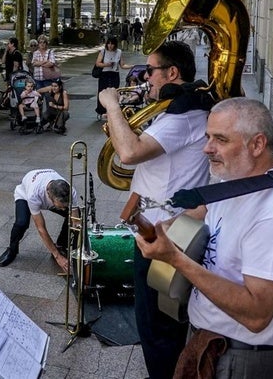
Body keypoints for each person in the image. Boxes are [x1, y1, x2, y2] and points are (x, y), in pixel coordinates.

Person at [137, 98, 273, 379]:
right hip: (210, 343)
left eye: (220, 139)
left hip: (239, 360)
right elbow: (205, 209)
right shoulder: (235, 182)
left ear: (257, 145)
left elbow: (256, 315)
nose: (206, 148)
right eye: (208, 137)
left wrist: (174, 258)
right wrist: (168, 226)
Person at [98, 40, 211, 379]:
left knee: (156, 324)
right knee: (158, 320)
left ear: (172, 73)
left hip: (164, 233)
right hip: (156, 226)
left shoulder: (185, 115)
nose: (144, 77)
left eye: (150, 70)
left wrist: (112, 106)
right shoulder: (177, 109)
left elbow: (129, 154)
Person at [0, 169, 73, 270]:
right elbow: (41, 228)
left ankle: (60, 245)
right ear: (50, 196)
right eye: (61, 206)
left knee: (72, 215)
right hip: (24, 195)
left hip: (48, 194)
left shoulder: (70, 191)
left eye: (65, 206)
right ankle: (12, 250)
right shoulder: (33, 194)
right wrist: (58, 257)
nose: (63, 209)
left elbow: (76, 220)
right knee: (21, 223)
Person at [94, 36, 132, 120]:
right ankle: (101, 111)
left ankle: (112, 111)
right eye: (109, 44)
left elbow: (122, 65)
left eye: (112, 44)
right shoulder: (103, 52)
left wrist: (132, 66)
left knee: (114, 92)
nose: (110, 46)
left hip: (114, 74)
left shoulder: (119, 52)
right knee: (102, 92)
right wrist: (106, 64)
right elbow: (97, 63)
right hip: (104, 74)